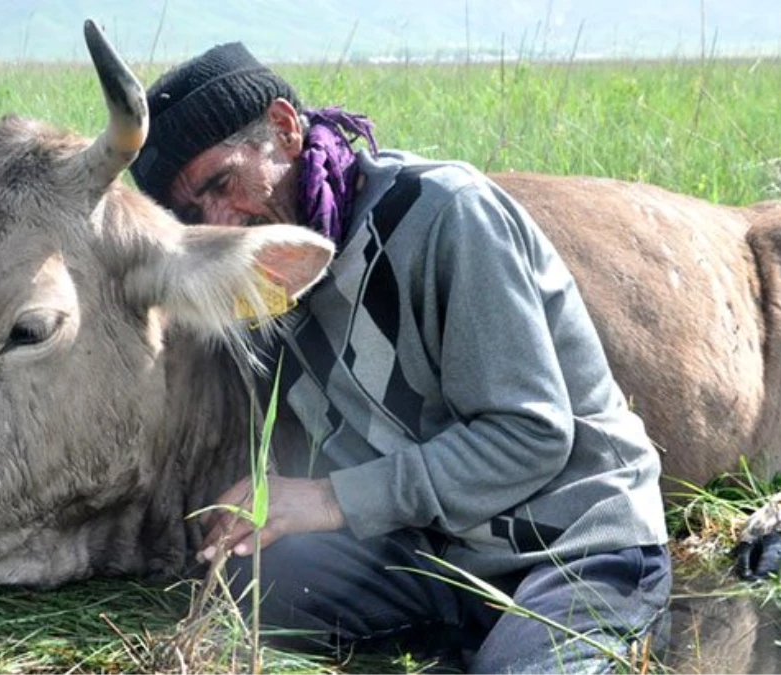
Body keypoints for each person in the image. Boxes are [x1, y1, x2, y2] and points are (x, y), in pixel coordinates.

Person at [129, 42, 672, 673]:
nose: (223, 221)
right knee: (252, 586)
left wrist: (330, 498)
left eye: (224, 183)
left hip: (569, 542)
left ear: (284, 128)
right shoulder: (264, 278)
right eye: (194, 214)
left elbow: (530, 437)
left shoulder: (444, 213)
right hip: (438, 553)